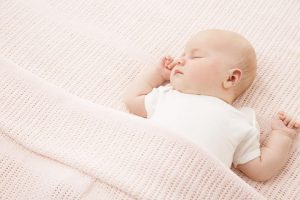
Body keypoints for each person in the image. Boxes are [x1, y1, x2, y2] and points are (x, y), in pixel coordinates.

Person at [123, 29, 299, 182]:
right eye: (182, 55)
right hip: (139, 171)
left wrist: (282, 136)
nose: (180, 60)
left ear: (230, 78)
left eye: (195, 56)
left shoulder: (240, 122)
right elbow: (132, 100)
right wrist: (157, 74)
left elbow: (261, 169)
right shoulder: (169, 96)